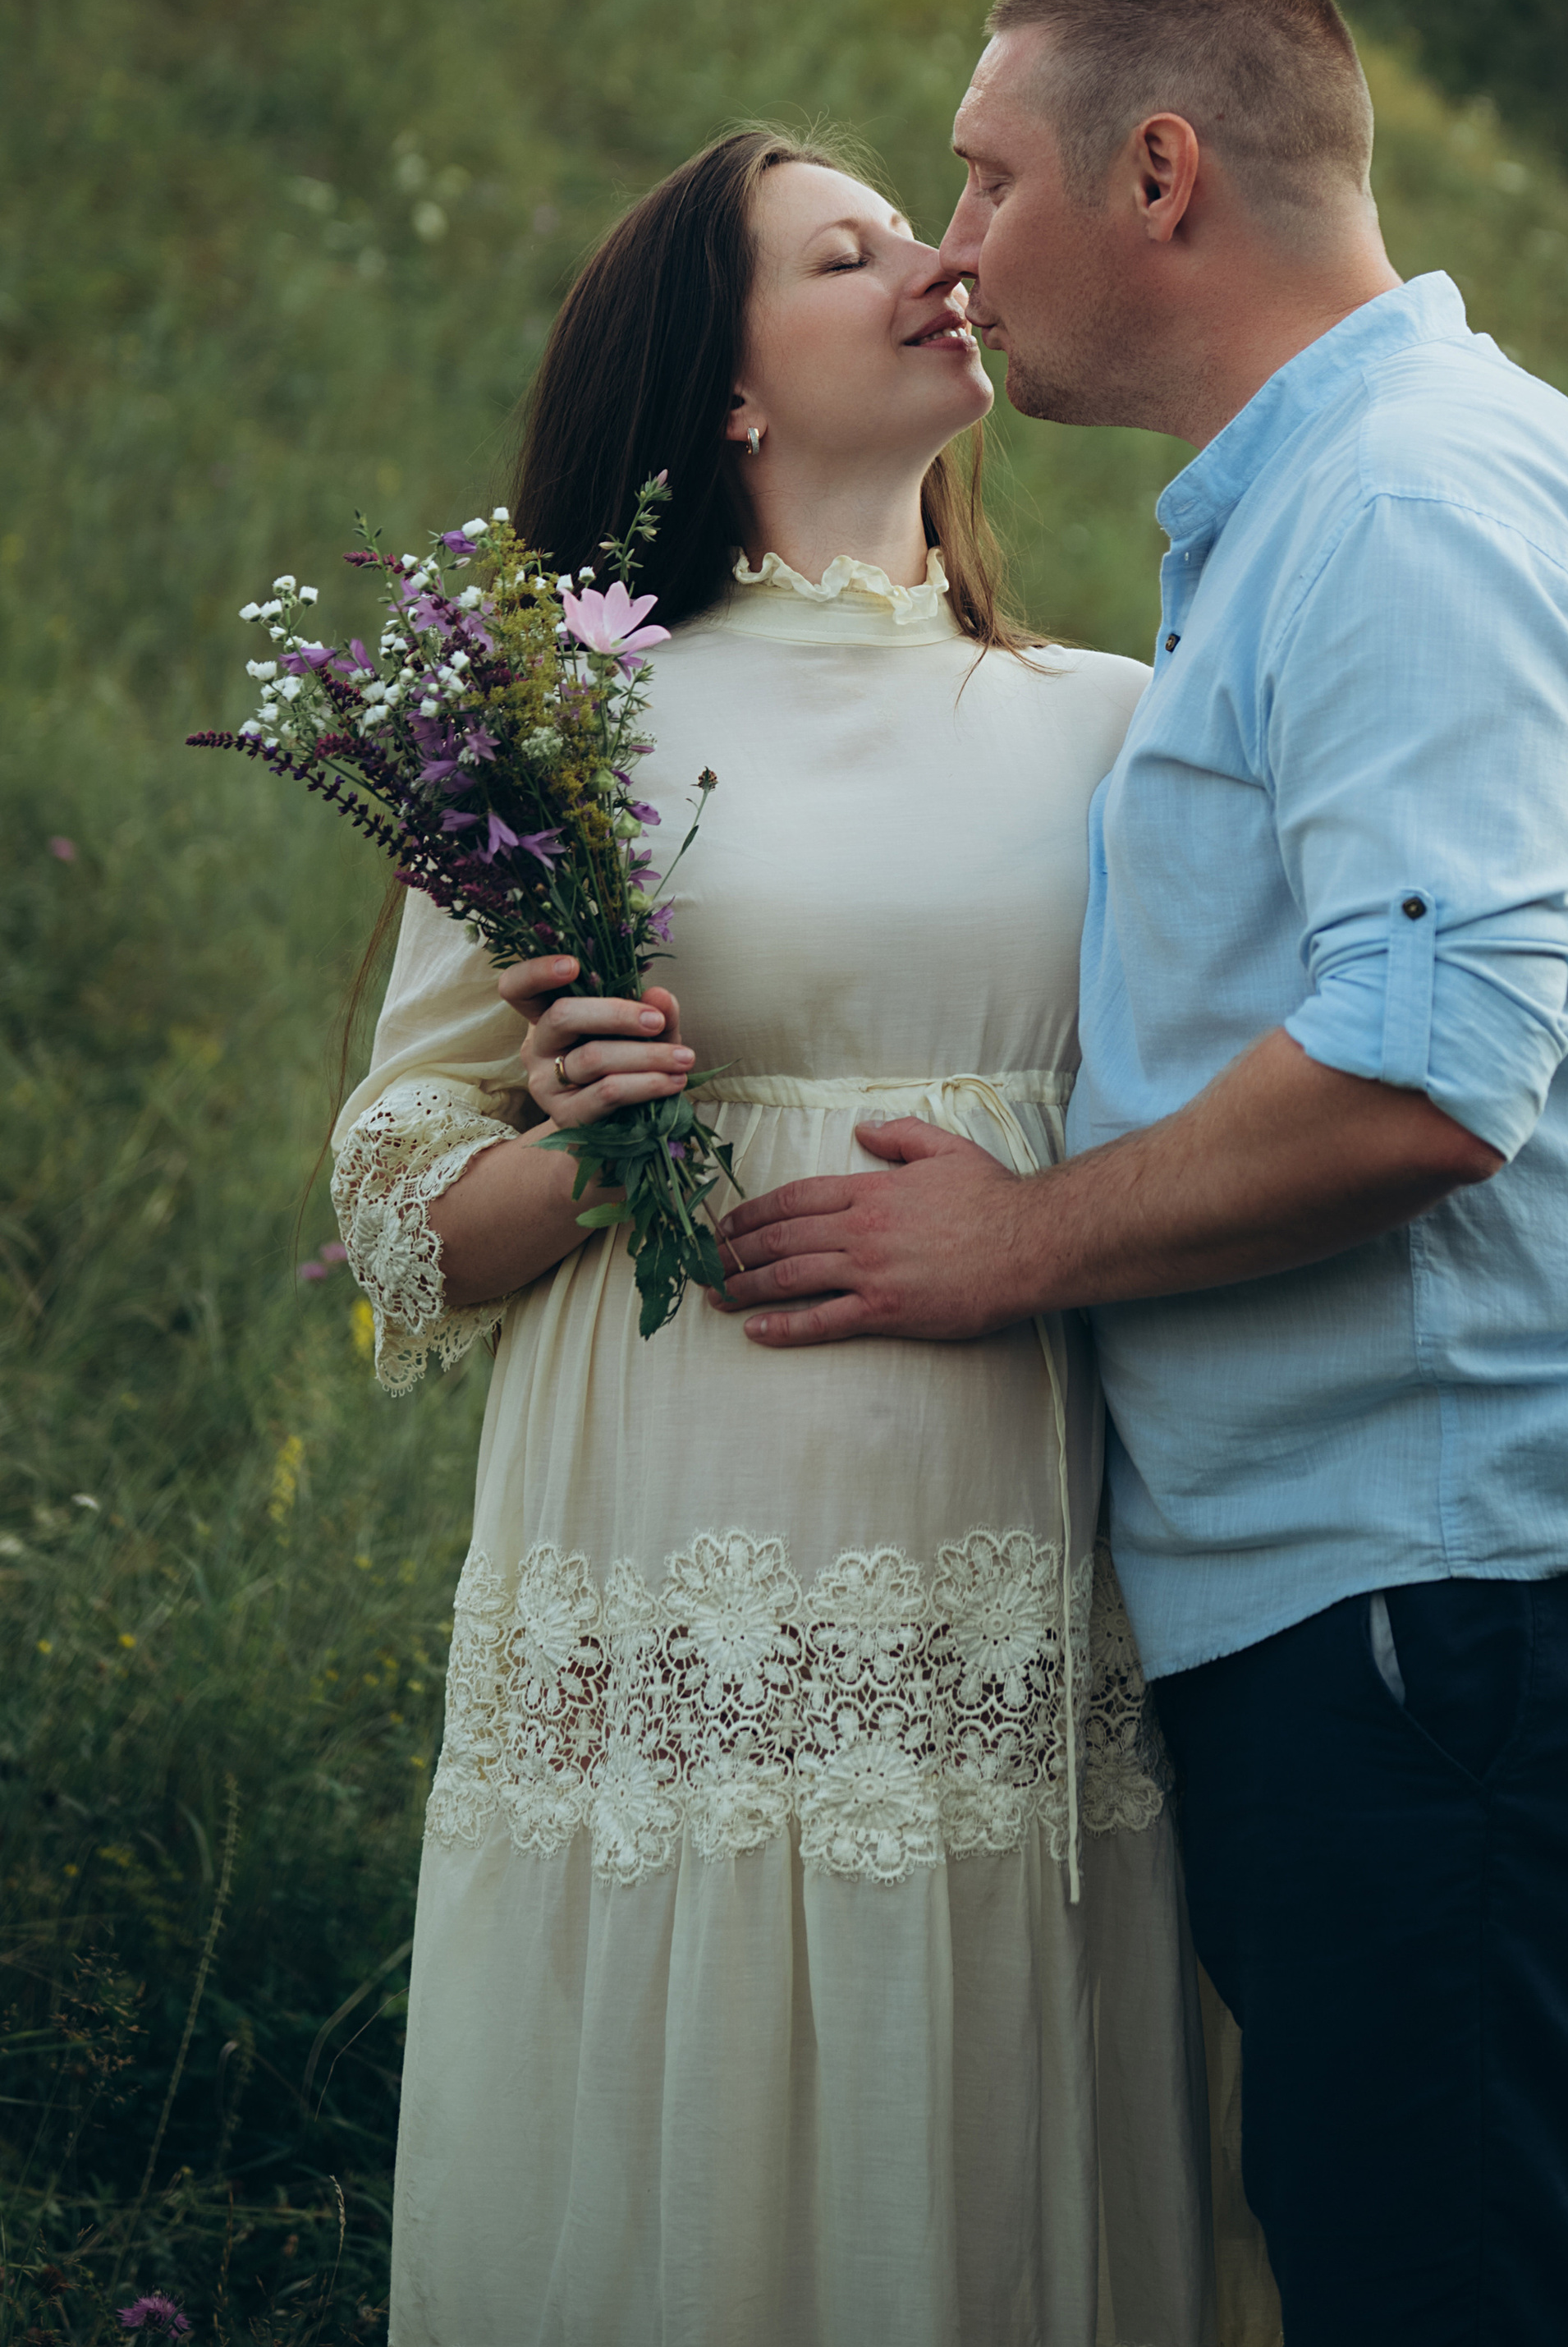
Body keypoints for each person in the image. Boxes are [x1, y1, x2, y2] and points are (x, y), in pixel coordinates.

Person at [713, 0, 1568, 2346]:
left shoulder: (1407, 509)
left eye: (988, 178)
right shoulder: (1345, 493)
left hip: (1469, 1598)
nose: (956, 250)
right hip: (1440, 1593)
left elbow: (1420, 1082)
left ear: (1162, 173)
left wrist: (1015, 1245)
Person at [330, 126, 1266, 2347]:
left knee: (1001, 2101)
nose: (937, 262)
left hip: (1017, 1554)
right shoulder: (560, 722)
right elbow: (402, 1199)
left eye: (927, 227)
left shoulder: (1126, 720)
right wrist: (589, 1148)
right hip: (671, 1536)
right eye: (850, 254)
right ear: (727, 386)